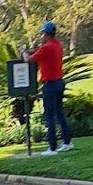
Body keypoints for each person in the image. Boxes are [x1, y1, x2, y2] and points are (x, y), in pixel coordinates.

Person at [26, 21, 72, 154]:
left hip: (50, 84)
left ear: (46, 34)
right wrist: (33, 51)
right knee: (59, 113)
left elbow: (28, 60)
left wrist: (24, 52)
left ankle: (52, 148)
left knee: (49, 116)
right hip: (59, 82)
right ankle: (67, 142)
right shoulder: (57, 45)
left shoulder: (46, 48)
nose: (42, 36)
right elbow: (40, 53)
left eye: (42, 34)